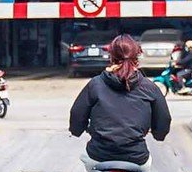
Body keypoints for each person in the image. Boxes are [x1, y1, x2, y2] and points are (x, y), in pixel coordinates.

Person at [69, 34, 171, 165]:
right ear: (137, 56)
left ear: (111, 57)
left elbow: (77, 113)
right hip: (136, 157)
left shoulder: (95, 84)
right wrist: (159, 135)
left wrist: (76, 130)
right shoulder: (150, 87)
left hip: (99, 155)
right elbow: (164, 118)